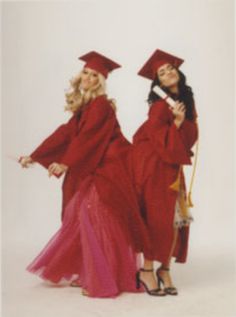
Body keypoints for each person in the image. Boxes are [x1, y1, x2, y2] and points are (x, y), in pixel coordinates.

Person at [19, 51, 151, 298]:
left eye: (94, 75)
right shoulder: (86, 106)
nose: (89, 78)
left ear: (101, 81)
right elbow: (66, 134)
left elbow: (89, 139)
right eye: (86, 74)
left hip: (109, 165)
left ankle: (104, 278)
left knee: (98, 216)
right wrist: (35, 156)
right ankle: (92, 271)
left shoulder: (100, 106)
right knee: (86, 216)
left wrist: (66, 163)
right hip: (96, 162)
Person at [131, 49, 198, 295]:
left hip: (171, 165)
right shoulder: (159, 107)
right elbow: (157, 140)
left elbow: (190, 138)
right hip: (154, 166)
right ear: (157, 83)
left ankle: (165, 268)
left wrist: (182, 123)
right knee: (157, 215)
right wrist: (178, 124)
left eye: (170, 68)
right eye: (162, 72)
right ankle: (147, 269)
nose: (168, 72)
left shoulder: (185, 102)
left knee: (173, 218)